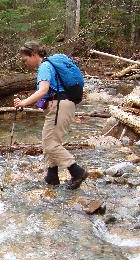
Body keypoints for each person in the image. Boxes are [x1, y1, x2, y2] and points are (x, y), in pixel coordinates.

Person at [14, 41, 88, 189]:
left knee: (50, 144)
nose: (25, 63)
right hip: (61, 105)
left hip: (59, 106)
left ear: (33, 54)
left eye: (25, 59)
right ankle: (52, 176)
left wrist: (23, 103)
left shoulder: (44, 67)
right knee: (49, 141)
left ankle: (77, 171)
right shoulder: (48, 66)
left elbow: (43, 90)